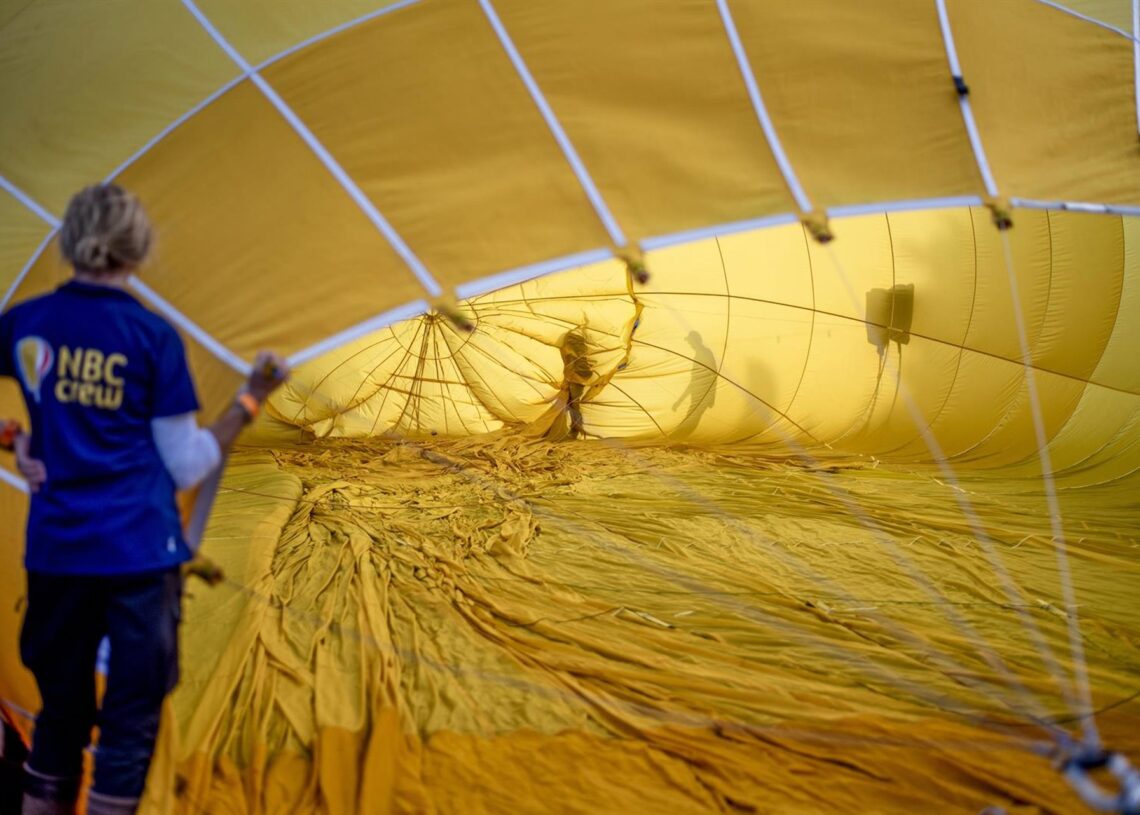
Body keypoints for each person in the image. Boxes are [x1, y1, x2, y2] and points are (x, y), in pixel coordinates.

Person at [0, 184, 289, 815]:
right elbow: (186, 463)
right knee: (128, 729)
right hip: (137, 557)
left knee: (59, 719)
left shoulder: (26, 322)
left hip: (57, 555)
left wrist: (12, 441)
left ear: (69, 243)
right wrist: (249, 401)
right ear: (140, 249)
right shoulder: (151, 337)